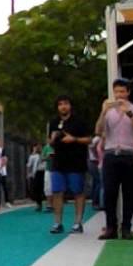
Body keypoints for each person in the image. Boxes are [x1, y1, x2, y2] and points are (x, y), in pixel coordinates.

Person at [95, 78, 133, 240]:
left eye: (122, 91)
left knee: (129, 192)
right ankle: (111, 227)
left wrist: (128, 112)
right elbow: (98, 130)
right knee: (109, 193)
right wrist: (103, 112)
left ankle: (126, 228)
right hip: (111, 154)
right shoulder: (109, 110)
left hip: (129, 154)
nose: (119, 95)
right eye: (116, 91)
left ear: (128, 92)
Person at [47, 94, 92, 234]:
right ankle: (57, 223)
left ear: (70, 106)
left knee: (78, 192)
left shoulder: (79, 121)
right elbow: (50, 142)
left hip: (76, 163)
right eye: (60, 104)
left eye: (66, 103)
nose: (63, 106)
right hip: (58, 163)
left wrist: (74, 139)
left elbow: (89, 139)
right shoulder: (53, 122)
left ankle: (77, 223)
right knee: (57, 192)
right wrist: (52, 140)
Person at [86, 134, 104, 211]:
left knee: (96, 182)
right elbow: (93, 148)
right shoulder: (98, 139)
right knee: (99, 182)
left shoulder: (96, 139)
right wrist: (97, 157)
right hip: (94, 162)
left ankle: (95, 201)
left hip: (92, 161)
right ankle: (96, 202)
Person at [27, 143, 45, 211]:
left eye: (40, 147)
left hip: (44, 172)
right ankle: (39, 204)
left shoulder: (44, 154)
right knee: (37, 189)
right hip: (37, 173)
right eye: (37, 147)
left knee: (44, 188)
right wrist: (28, 174)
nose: (38, 148)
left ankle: (49, 204)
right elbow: (29, 165)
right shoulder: (33, 156)